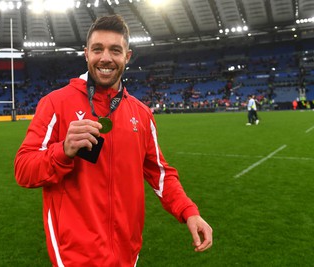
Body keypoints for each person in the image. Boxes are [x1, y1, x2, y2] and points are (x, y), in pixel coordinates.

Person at [14, 14, 212, 267]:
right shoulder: (55, 104)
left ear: (127, 56)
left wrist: (189, 211)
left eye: (115, 50)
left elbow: (160, 173)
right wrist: (63, 150)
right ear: (86, 54)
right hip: (75, 255)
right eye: (98, 49)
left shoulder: (141, 114)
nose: (106, 58)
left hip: (127, 252)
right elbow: (23, 170)